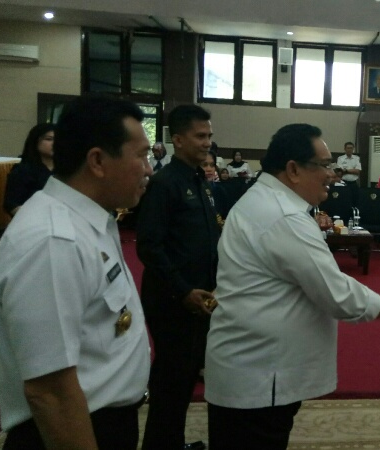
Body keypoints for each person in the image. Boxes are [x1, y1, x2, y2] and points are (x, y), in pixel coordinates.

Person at [204, 123, 380, 448]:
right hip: (260, 376)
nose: (331, 174)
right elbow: (337, 294)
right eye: (323, 165)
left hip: (251, 368)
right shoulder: (284, 217)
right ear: (293, 170)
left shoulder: (264, 200)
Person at [0, 95, 152, 449]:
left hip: (102, 422)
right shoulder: (52, 241)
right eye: (141, 156)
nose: (149, 169)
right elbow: (50, 392)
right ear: (98, 161)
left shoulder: (88, 221)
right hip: (71, 430)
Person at [136, 104, 221, 450]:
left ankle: (171, 443)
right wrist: (184, 291)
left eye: (209, 136)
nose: (207, 143)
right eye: (200, 136)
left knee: (184, 381)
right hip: (173, 301)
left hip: (198, 299)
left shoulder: (200, 180)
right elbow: (149, 246)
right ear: (179, 139)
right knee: (171, 383)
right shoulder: (165, 183)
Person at [3, 123, 55, 216]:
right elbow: (12, 204)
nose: (55, 143)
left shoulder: (67, 171)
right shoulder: (23, 170)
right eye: (49, 139)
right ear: (35, 141)